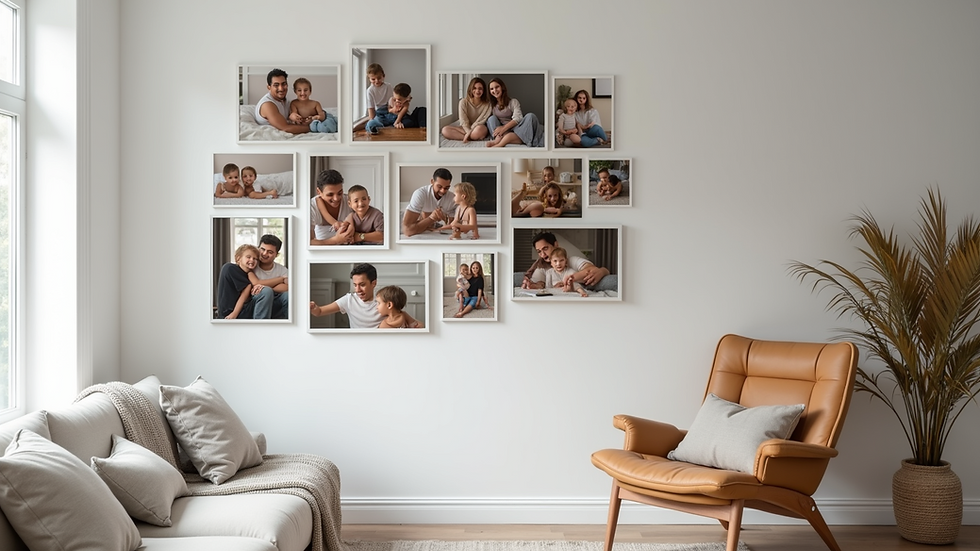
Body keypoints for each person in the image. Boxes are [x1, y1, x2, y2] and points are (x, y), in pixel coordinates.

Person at [310, 263, 420, 329]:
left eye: (362, 285)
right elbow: (319, 312)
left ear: (373, 283)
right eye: (355, 285)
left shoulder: (384, 302)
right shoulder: (348, 300)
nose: (357, 290)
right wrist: (314, 308)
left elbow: (416, 324)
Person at [520, 231, 613, 291]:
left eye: (545, 248)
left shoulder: (572, 260)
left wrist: (603, 270)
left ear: (556, 245)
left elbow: (591, 270)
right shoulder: (542, 266)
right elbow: (539, 283)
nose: (542, 254)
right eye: (539, 251)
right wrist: (532, 285)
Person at [216, 244, 277, 320]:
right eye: (248, 257)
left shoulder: (251, 274)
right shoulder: (230, 268)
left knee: (280, 297)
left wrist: (259, 286)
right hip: (230, 313)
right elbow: (246, 290)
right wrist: (234, 314)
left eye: (255, 259)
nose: (252, 260)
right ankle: (261, 327)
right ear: (238, 258)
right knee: (266, 291)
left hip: (245, 310)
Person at [485, 78, 543, 148]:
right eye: (491, 89)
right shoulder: (491, 105)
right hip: (501, 132)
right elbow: (486, 119)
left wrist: (503, 128)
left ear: (502, 87)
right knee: (491, 119)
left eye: (497, 87)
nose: (494, 90)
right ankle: (501, 139)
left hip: (516, 130)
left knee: (531, 116)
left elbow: (517, 118)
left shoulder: (513, 102)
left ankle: (501, 143)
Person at [254, 68, 312, 135]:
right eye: (276, 85)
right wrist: (313, 127)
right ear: (269, 87)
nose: (281, 88)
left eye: (283, 84)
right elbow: (285, 128)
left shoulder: (285, 101)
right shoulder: (267, 105)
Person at [402, 167, 457, 237]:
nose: (443, 191)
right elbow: (407, 230)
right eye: (439, 187)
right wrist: (431, 218)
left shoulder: (452, 198)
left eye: (446, 188)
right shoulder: (420, 194)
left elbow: (454, 226)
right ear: (432, 182)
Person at [309, 169, 355, 246]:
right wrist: (336, 240)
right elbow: (307, 243)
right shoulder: (311, 207)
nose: (336, 198)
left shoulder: (350, 201)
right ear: (319, 192)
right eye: (330, 194)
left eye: (340, 193)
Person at [249, 234, 289, 318]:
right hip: (254, 302)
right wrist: (280, 280)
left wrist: (266, 288)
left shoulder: (282, 269)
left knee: (287, 295)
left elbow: (287, 287)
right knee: (266, 292)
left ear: (276, 255)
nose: (264, 253)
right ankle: (261, 328)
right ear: (258, 248)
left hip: (276, 301)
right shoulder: (251, 265)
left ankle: (288, 327)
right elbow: (256, 283)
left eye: (270, 252)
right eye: (262, 249)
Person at [441, 77, 491, 143]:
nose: (477, 91)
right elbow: (464, 121)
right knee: (445, 130)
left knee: (481, 130)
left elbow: (481, 120)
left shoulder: (487, 104)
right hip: (465, 128)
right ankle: (472, 137)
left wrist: (470, 131)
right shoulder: (463, 102)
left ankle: (469, 136)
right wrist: (468, 132)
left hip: (478, 128)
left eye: (480, 88)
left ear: (483, 90)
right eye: (474, 88)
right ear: (471, 89)